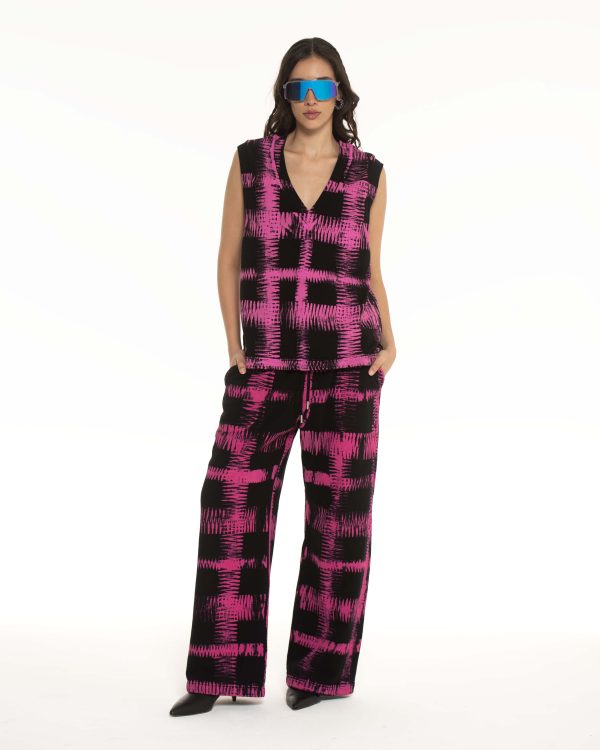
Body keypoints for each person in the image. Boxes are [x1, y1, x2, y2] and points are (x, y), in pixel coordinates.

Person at [170, 36, 396, 716]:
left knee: (339, 522)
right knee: (229, 503)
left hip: (348, 366)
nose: (311, 99)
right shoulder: (251, 163)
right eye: (300, 87)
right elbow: (227, 257)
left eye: (323, 87)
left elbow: (370, 267)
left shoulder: (368, 174)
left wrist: (390, 338)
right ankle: (219, 673)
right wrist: (233, 344)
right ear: (285, 95)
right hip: (265, 363)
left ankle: (319, 675)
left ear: (340, 95)